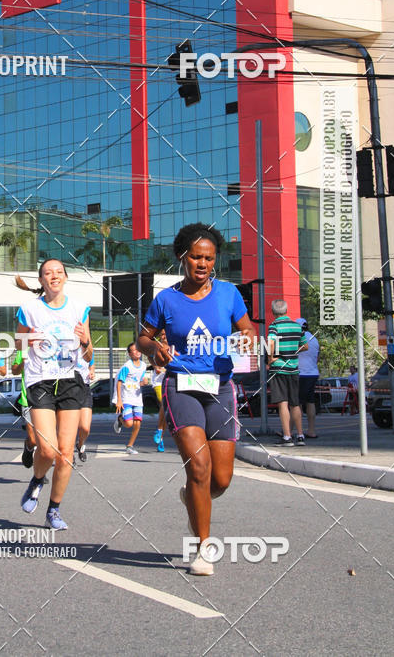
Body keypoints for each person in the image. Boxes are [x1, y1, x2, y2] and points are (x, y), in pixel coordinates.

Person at [137, 223, 255, 576]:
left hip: (220, 387)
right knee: (199, 468)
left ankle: (193, 498)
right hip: (181, 386)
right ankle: (203, 548)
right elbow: (143, 338)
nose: (202, 264)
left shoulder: (229, 294)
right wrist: (153, 349)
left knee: (221, 479)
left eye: (209, 258)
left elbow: (247, 328)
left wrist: (248, 337)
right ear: (182, 258)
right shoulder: (166, 300)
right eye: (196, 257)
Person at [14, 259, 92, 530]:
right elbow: (17, 344)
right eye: (48, 273)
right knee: (47, 449)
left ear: (66, 277)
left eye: (59, 272)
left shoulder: (79, 309)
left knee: (66, 453)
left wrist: (84, 341)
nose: (54, 276)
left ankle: (54, 510)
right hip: (40, 382)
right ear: (41, 280)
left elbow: (88, 354)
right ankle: (36, 480)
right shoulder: (29, 309)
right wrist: (27, 341)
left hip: (70, 381)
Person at [268, 300, 308, 447]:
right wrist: (292, 352)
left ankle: (287, 436)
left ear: (273, 312)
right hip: (294, 369)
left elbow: (271, 343)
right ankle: (301, 435)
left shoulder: (274, 326)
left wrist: (270, 359)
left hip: (279, 368)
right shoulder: (297, 326)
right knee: (295, 403)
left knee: (282, 403)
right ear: (286, 310)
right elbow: (305, 346)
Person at [113, 343, 148, 455]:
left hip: (137, 398)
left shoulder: (143, 365)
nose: (137, 352)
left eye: (138, 349)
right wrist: (119, 400)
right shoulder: (127, 366)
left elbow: (139, 381)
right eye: (134, 350)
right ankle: (120, 419)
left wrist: (143, 382)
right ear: (129, 354)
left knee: (137, 423)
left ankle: (130, 446)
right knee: (129, 424)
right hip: (126, 398)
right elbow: (119, 382)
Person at [296, 318, 320, 438]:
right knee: (310, 402)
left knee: (297, 403)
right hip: (313, 373)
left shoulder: (298, 338)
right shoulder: (315, 340)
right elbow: (318, 358)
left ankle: (295, 431)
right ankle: (311, 430)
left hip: (301, 374)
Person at [76, 352, 95, 462]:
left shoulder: (87, 349)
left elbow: (91, 364)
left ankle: (80, 444)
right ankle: (68, 454)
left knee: (85, 428)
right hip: (68, 388)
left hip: (84, 388)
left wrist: (92, 371)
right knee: (70, 426)